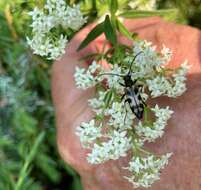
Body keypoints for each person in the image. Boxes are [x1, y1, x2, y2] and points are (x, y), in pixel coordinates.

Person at [51, 17, 201, 190]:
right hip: (135, 105)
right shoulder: (132, 88)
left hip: (135, 105)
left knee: (135, 101)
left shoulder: (129, 88)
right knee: (136, 100)